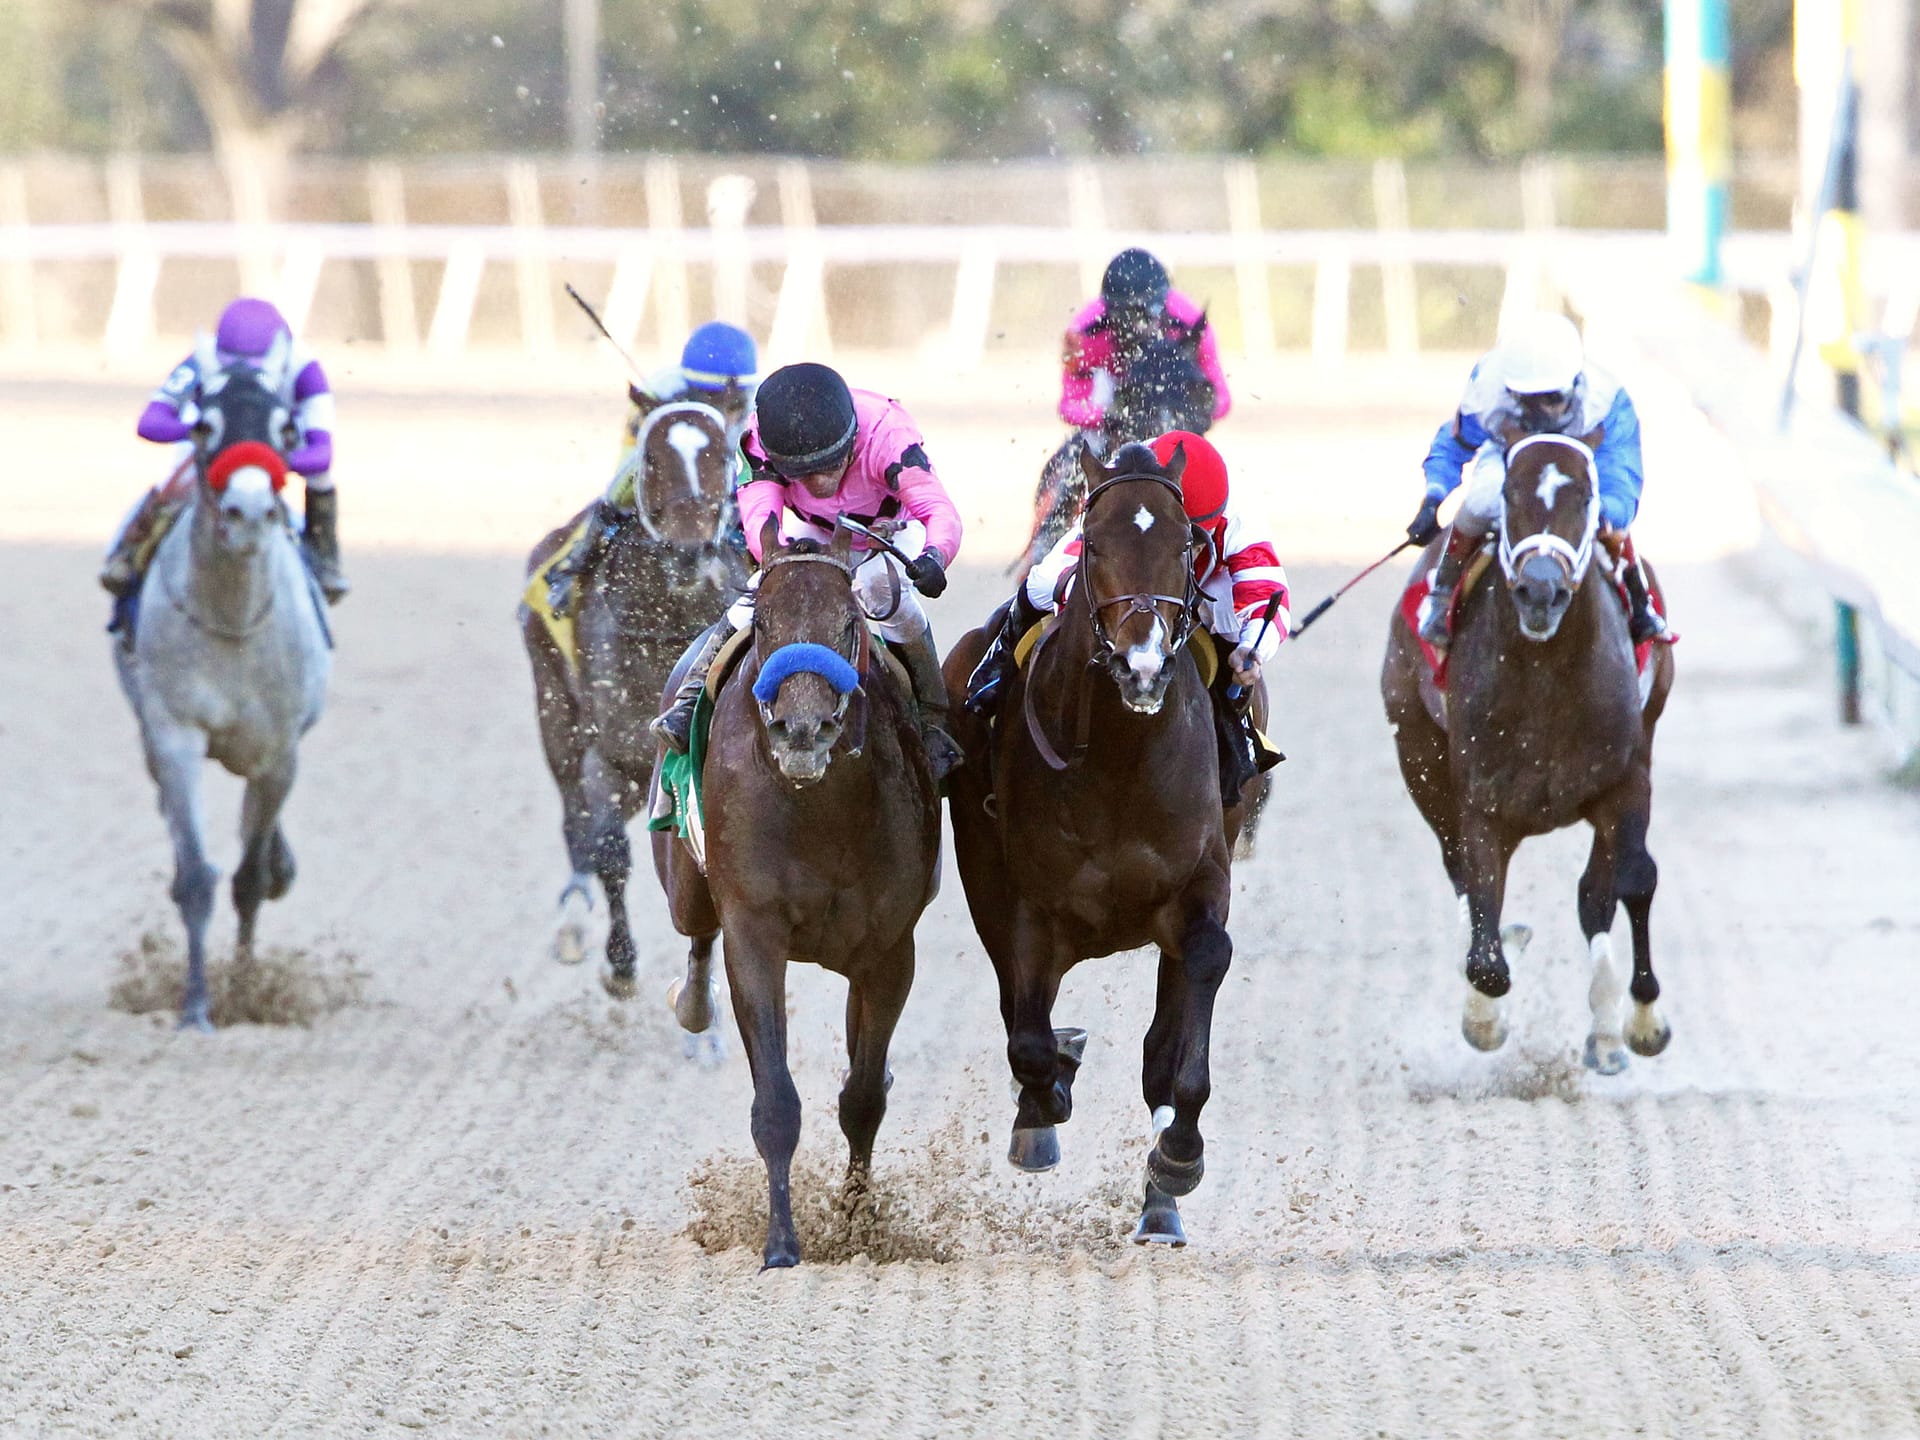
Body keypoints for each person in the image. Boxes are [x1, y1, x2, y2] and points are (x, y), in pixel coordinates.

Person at [650, 361, 965, 779]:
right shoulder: (756, 438)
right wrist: (775, 563)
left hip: (884, 531)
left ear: (853, 440)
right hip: (808, 530)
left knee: (886, 596)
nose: (818, 484)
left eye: (831, 466)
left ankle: (931, 719)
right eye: (802, 473)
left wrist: (934, 556)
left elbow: (938, 510)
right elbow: (760, 513)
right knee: (753, 598)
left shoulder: (890, 436)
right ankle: (688, 702)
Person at [966, 429, 1289, 720]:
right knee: (1043, 582)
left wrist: (1253, 648)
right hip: (1129, 549)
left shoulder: (1242, 518)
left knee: (1230, 622)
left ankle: (1241, 731)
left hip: (1206, 585)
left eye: (1192, 544)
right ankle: (999, 659)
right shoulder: (1128, 481)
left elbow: (1268, 591)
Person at [1406, 310, 1664, 651]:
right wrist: (1434, 499)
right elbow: (1453, 445)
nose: (1542, 411)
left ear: (1575, 382)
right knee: (1483, 497)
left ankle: (1637, 597)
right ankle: (1441, 593)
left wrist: (1605, 515)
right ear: (1510, 390)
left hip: (1581, 457)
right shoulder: (1487, 388)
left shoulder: (1607, 401)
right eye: (1528, 400)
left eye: (1552, 399)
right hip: (1510, 454)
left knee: (1598, 514)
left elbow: (1622, 477)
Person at [102, 296, 344, 602]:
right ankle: (129, 553)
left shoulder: (305, 371)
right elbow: (150, 421)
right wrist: (194, 432)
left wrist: (269, 460)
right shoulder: (202, 361)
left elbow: (322, 453)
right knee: (176, 478)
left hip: (276, 438)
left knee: (320, 478)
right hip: (216, 437)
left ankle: (325, 559)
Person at [546, 321, 760, 615]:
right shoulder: (660, 389)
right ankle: (576, 569)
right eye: (707, 397)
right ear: (690, 387)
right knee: (617, 494)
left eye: (732, 403)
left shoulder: (758, 403)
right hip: (665, 455)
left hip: (727, 461)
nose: (722, 409)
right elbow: (638, 452)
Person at [1059, 248, 1232, 446]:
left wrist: (1189, 411)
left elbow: (1222, 400)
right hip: (1112, 396)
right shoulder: (1082, 334)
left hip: (1173, 400)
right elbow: (1070, 405)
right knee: (1091, 444)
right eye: (1125, 316)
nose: (1137, 327)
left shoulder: (1190, 324)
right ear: (1109, 312)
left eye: (1147, 312)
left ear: (1164, 304)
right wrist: (1111, 417)